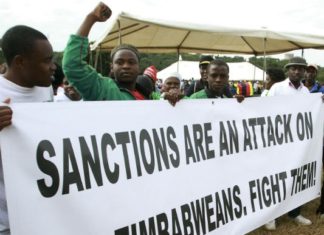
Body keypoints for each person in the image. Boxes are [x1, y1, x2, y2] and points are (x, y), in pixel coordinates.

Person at [0, 25, 56, 235]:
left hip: (46, 210)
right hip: (8, 221)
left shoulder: (46, 90)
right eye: (46, 60)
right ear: (20, 62)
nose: (53, 67)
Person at [62, 2, 149, 101]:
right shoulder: (101, 89)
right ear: (111, 67)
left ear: (139, 67)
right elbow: (73, 65)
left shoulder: (147, 94)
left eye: (131, 62)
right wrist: (91, 18)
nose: (126, 66)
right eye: (120, 62)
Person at [265, 56, 312, 231]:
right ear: (287, 70)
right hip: (278, 142)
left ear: (304, 71)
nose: (297, 71)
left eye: (300, 68)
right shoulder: (277, 88)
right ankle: (271, 215)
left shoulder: (306, 92)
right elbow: (265, 111)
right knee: (276, 179)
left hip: (298, 144)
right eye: (293, 68)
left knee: (296, 177)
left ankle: (294, 212)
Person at [303, 64, 324, 218]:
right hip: (300, 140)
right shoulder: (298, 89)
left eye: (312, 71)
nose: (309, 73)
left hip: (319, 137)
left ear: (316, 73)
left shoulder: (321, 90)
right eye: (307, 71)